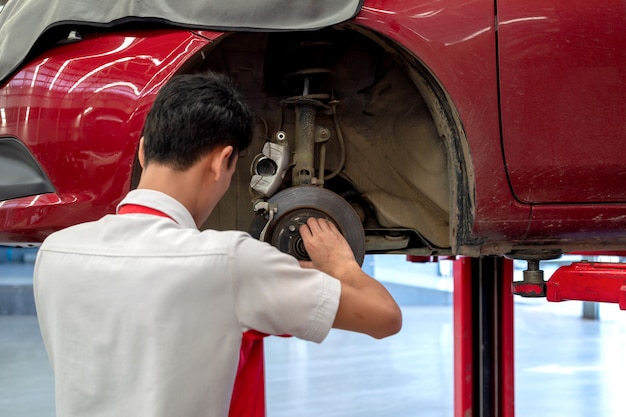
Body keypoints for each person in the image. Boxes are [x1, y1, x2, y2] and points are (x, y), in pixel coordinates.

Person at [34, 72, 402, 417]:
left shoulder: (55, 253)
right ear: (222, 161)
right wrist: (342, 266)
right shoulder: (231, 263)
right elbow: (384, 317)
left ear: (144, 151)